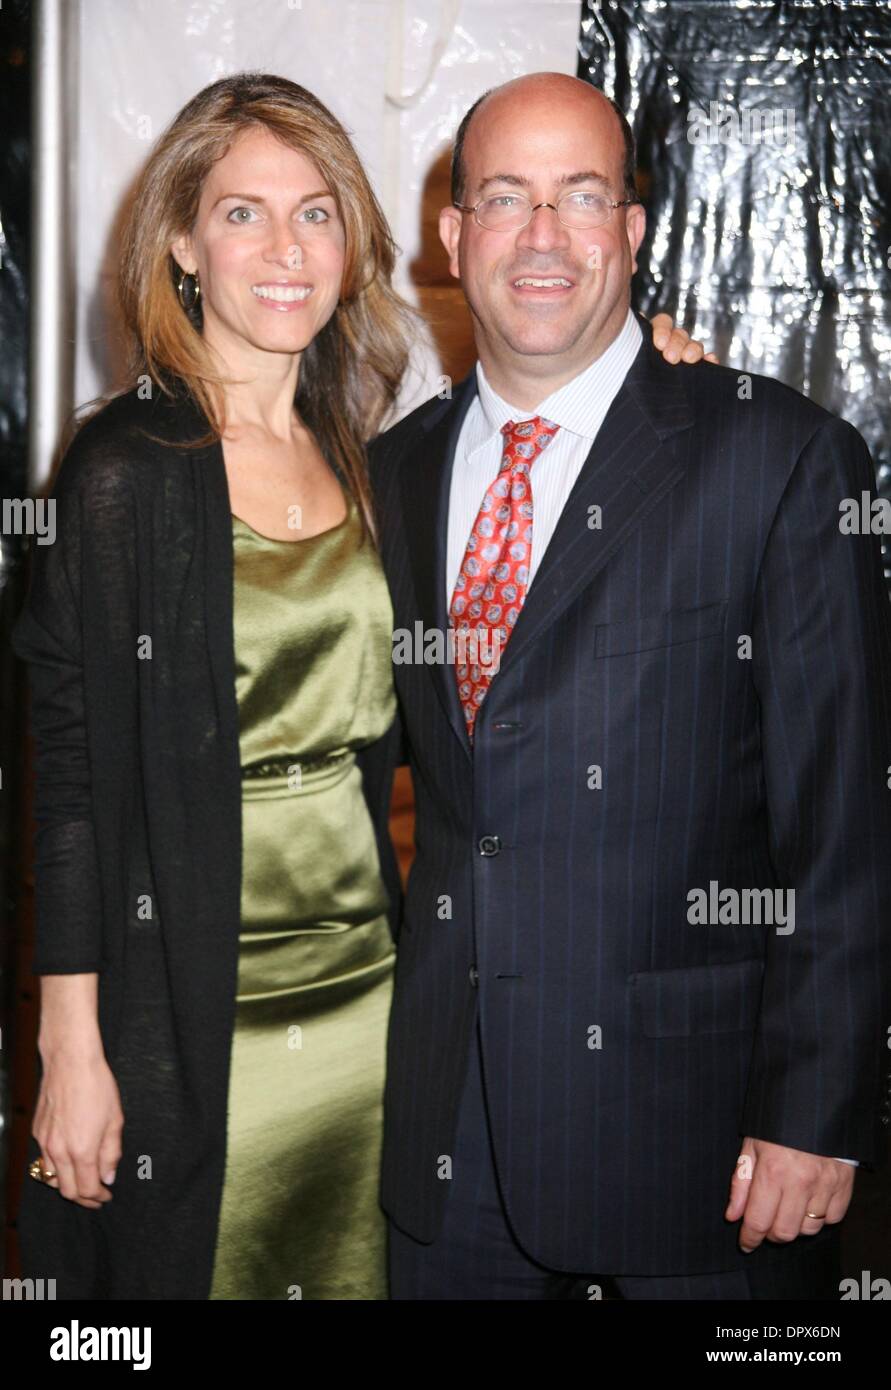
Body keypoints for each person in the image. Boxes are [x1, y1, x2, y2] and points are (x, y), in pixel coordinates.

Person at [11, 70, 704, 1300]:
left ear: (356, 244)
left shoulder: (378, 457)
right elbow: (66, 786)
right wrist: (69, 1044)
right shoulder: (123, 468)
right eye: (241, 213)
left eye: (316, 212)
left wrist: (653, 371)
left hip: (378, 1013)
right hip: (191, 1008)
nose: (285, 248)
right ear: (180, 240)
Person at [369, 72, 891, 1300]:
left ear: (632, 232)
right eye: (506, 197)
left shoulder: (777, 456)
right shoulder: (393, 474)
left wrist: (817, 1110)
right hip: (449, 1155)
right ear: (453, 241)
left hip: (699, 1162)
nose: (542, 235)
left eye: (581, 195)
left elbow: (847, 827)